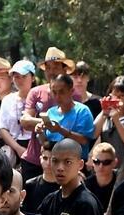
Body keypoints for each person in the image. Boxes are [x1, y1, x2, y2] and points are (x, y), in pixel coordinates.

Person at [19, 47, 75, 181]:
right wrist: (50, 123)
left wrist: (55, 125)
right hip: (34, 160)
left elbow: (77, 126)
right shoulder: (35, 92)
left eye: (55, 67)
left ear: (64, 69)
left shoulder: (75, 95)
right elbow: (25, 121)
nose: (51, 71)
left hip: (64, 163)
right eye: (48, 68)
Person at [37, 74, 95, 159]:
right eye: (54, 92)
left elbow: (84, 141)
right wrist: (40, 132)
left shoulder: (82, 111)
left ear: (71, 91)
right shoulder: (50, 112)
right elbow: (45, 143)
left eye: (61, 92)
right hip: (53, 163)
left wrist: (60, 130)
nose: (57, 96)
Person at [0, 60, 36, 166]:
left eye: (24, 76)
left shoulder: (40, 98)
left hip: (36, 145)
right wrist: (18, 149)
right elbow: (2, 127)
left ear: (32, 78)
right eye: (16, 77)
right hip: (13, 146)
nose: (20, 80)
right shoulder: (8, 99)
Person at [93, 75, 124, 164]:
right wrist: (104, 113)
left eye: (122, 96)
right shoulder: (105, 117)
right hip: (106, 167)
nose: (118, 99)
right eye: (115, 96)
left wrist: (117, 121)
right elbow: (93, 134)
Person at [85, 142, 119, 209]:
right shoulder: (87, 185)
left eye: (106, 162)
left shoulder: (120, 181)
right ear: (92, 162)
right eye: (97, 161)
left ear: (115, 162)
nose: (101, 166)